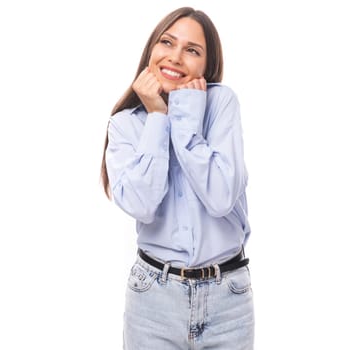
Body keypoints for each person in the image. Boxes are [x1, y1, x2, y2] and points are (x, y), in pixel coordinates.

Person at [100, 6, 254, 350]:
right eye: (167, 43)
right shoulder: (125, 124)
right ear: (151, 50)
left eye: (192, 50)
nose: (175, 57)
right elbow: (142, 205)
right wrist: (157, 115)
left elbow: (220, 197)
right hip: (153, 298)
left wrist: (185, 116)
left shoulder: (221, 104)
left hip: (228, 297)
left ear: (207, 65)